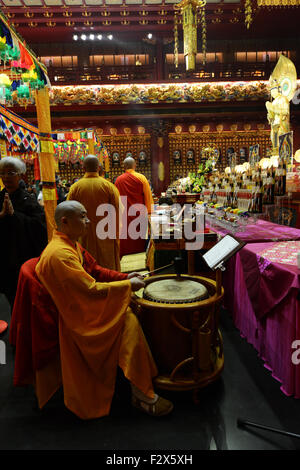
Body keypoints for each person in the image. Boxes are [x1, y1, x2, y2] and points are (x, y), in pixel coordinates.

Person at [34, 200, 173, 419]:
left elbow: (95, 270)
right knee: (129, 323)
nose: (89, 221)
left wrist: (125, 276)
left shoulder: (70, 243)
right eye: (83, 216)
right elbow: (89, 289)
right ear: (65, 221)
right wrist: (127, 286)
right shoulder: (59, 255)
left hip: (84, 306)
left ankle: (141, 380)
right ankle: (141, 394)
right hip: (80, 318)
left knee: (131, 315)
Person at [0, 157, 48, 310]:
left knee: (26, 302)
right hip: (3, 259)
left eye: (11, 173)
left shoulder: (29, 200)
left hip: (22, 258)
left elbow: (40, 228)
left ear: (20, 175)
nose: (6, 177)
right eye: (2, 173)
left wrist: (15, 216)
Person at [67, 155, 122, 271]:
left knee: (87, 267)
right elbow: (118, 211)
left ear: (83, 168)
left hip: (83, 236)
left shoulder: (75, 188)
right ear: (99, 168)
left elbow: (69, 213)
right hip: (106, 235)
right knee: (108, 269)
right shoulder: (109, 187)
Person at [115, 156, 153, 256]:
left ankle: (125, 259)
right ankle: (141, 257)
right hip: (139, 214)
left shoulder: (118, 180)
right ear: (135, 165)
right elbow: (148, 196)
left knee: (126, 239)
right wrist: (149, 212)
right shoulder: (141, 178)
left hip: (124, 216)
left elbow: (116, 199)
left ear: (124, 166)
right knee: (139, 239)